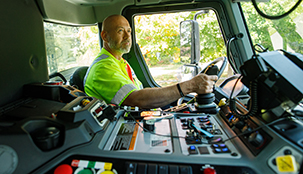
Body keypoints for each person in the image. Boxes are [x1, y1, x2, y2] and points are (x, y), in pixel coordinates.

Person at [84, 14, 218, 109]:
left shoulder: (120, 62)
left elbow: (141, 91)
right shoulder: (102, 68)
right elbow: (137, 99)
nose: (127, 36)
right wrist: (189, 86)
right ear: (105, 36)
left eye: (129, 31)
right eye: (120, 31)